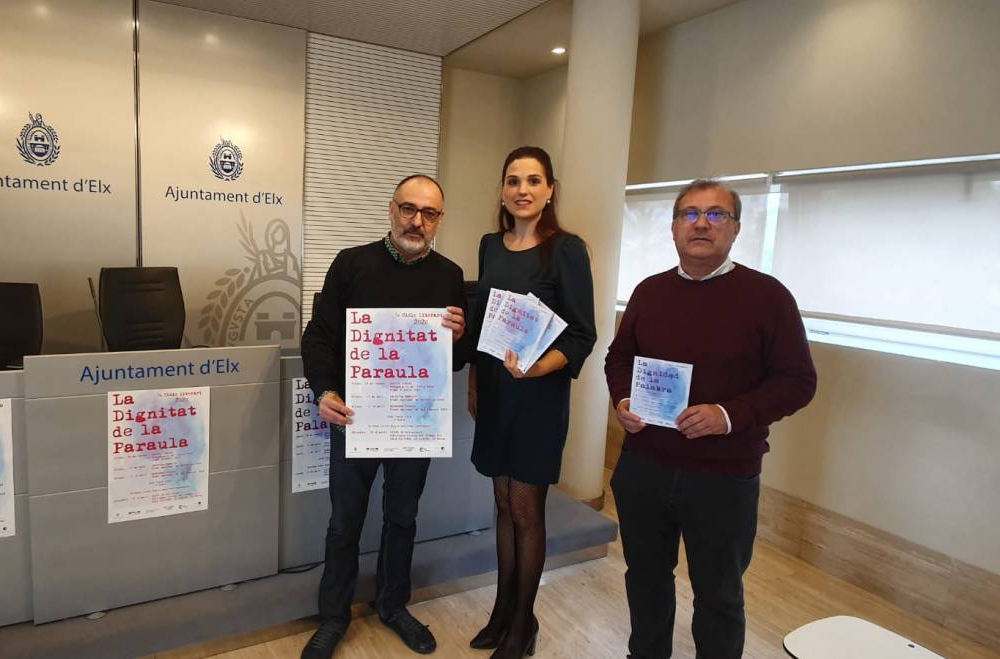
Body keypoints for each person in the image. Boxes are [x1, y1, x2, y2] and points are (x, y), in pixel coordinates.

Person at [604, 179, 817, 658]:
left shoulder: (768, 297)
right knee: (646, 581)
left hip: (724, 477)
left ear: (736, 228)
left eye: (716, 214)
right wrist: (622, 401)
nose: (702, 223)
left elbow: (798, 381)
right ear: (674, 227)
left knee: (719, 596)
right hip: (645, 468)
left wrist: (727, 415)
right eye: (690, 213)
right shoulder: (649, 292)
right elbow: (619, 359)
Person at [299, 174, 468, 659]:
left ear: (439, 220)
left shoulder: (450, 274)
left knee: (403, 517)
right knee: (344, 521)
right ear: (391, 209)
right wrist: (324, 389)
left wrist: (458, 338)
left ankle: (393, 605)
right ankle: (334, 617)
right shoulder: (351, 264)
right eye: (408, 209)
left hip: (414, 422)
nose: (417, 221)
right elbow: (319, 338)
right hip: (357, 417)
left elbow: (452, 363)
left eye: (429, 213)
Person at [466, 146, 597, 659]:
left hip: (538, 395)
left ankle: (524, 622)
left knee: (525, 509)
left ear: (550, 191)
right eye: (514, 180)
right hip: (497, 393)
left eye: (534, 181)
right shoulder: (488, 246)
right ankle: (502, 611)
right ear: (503, 189)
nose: (523, 189)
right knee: (500, 503)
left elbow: (583, 334)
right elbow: (480, 327)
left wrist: (540, 366)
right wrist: (477, 385)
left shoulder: (565, 249)